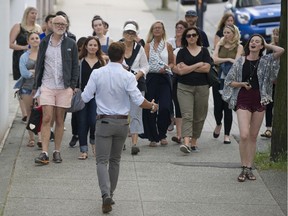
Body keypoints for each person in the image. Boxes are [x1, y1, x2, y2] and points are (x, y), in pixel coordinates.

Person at [81, 42, 158, 214]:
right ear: (123, 56)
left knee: (101, 161)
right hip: (122, 123)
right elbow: (139, 100)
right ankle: (111, 193)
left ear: (108, 54)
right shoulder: (128, 76)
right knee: (115, 161)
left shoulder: (97, 73)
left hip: (103, 122)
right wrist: (152, 106)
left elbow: (85, 97)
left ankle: (105, 194)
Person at [222, 34, 284, 182]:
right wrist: (242, 84)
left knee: (253, 136)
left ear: (261, 46)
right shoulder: (240, 61)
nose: (254, 43)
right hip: (243, 98)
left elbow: (281, 50)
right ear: (248, 44)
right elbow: (229, 81)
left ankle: (249, 167)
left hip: (259, 99)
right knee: (244, 134)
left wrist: (266, 45)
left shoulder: (265, 60)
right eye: (252, 41)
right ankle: (243, 166)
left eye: (257, 42)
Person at [34, 15, 79, 165]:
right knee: (47, 118)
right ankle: (44, 152)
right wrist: (36, 87)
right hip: (47, 85)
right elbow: (39, 64)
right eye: (57, 23)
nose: (60, 26)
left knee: (60, 120)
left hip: (64, 87)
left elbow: (75, 67)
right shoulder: (44, 42)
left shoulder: (71, 43)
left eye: (63, 24)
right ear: (51, 25)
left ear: (67, 26)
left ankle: (57, 151)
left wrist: (72, 86)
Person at [174, 27, 211, 154]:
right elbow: (181, 71)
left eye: (194, 35)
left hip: (202, 87)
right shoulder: (181, 52)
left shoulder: (205, 51)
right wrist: (197, 64)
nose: (191, 37)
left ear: (198, 37)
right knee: (187, 115)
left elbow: (206, 69)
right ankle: (186, 143)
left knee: (199, 116)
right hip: (184, 87)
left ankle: (194, 141)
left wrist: (188, 67)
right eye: (188, 35)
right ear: (185, 38)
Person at [143, 21, 174, 147]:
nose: (157, 30)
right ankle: (153, 136)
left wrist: (166, 67)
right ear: (152, 30)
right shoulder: (147, 46)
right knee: (151, 107)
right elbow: (144, 63)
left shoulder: (168, 46)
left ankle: (162, 133)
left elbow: (172, 63)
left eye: (159, 28)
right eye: (155, 28)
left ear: (163, 30)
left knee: (165, 107)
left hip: (164, 78)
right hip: (151, 78)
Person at [9, 6, 42, 122]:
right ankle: (24, 113)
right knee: (22, 82)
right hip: (20, 56)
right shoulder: (18, 26)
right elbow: (11, 44)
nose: (34, 15)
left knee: (30, 84)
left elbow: (41, 42)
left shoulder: (38, 28)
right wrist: (24, 47)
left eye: (36, 13)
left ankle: (29, 111)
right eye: (32, 13)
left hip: (35, 56)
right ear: (27, 14)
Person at [76, 36, 106, 159]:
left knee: (94, 122)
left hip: (96, 96)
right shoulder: (79, 61)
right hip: (82, 95)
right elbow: (75, 76)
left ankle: (93, 142)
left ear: (98, 47)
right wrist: (74, 87)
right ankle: (83, 150)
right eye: (90, 45)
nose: (92, 47)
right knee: (82, 122)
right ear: (86, 46)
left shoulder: (102, 62)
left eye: (95, 45)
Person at [212, 24, 243, 144]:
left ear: (234, 34)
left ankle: (226, 135)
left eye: (228, 33)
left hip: (230, 80)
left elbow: (237, 62)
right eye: (224, 33)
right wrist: (228, 59)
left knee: (227, 108)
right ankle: (218, 123)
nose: (225, 35)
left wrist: (227, 61)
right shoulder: (220, 44)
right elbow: (214, 59)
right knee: (217, 107)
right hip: (218, 79)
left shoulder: (238, 46)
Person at [122, 23, 149, 155]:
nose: (129, 35)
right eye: (127, 32)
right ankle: (120, 142)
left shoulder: (140, 48)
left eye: (132, 33)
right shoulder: (118, 46)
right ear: (123, 33)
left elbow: (145, 66)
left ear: (135, 35)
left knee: (136, 114)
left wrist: (138, 75)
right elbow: (112, 62)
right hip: (120, 85)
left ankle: (134, 143)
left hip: (137, 84)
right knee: (121, 114)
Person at [16, 32, 42, 148]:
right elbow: (24, 73)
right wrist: (35, 73)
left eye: (37, 38)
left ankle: (41, 138)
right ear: (28, 41)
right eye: (32, 38)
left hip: (41, 88)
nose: (35, 40)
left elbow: (45, 71)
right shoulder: (24, 56)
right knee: (30, 113)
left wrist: (34, 72)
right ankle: (31, 138)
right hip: (27, 88)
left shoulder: (44, 54)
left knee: (41, 112)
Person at [167, 20, 188, 143]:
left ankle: (188, 135)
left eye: (181, 28)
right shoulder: (170, 43)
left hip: (190, 80)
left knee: (188, 109)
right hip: (175, 77)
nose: (178, 30)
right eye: (177, 27)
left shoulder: (189, 45)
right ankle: (179, 135)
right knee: (178, 106)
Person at [260, 27, 279, 138]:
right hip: (271, 80)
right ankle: (268, 128)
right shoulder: (270, 48)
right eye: (274, 34)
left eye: (278, 34)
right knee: (269, 104)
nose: (276, 36)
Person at [69, 37, 87, 148]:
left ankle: (82, 137)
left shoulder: (92, 58)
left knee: (84, 117)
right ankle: (75, 134)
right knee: (76, 115)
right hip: (78, 90)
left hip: (88, 90)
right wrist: (73, 87)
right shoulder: (75, 58)